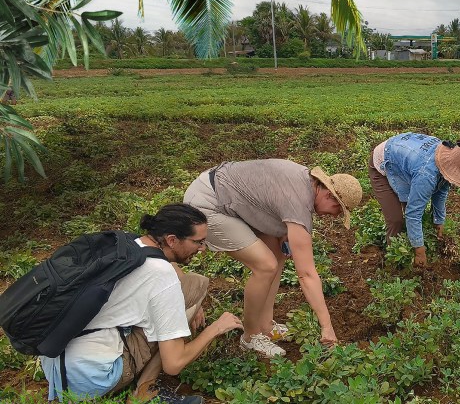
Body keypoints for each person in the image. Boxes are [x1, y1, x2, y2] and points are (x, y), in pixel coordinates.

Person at [40, 204, 243, 404]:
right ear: (172, 240)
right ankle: (144, 390)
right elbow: (174, 364)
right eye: (198, 242)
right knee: (174, 327)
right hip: (93, 379)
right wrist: (216, 328)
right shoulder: (162, 278)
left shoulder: (128, 244)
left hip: (56, 364)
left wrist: (193, 303)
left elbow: (173, 271)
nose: (202, 249)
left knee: (193, 284)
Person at [184, 160, 362, 357]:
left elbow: (271, 199)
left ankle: (265, 326)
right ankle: (250, 337)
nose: (334, 217)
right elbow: (306, 274)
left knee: (277, 255)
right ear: (329, 195)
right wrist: (327, 327)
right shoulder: (298, 204)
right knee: (266, 265)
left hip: (222, 189)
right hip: (208, 204)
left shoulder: (305, 181)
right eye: (338, 211)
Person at [369, 133, 460, 267]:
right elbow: (413, 214)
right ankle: (393, 261)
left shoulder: (447, 157)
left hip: (404, 159)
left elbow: (441, 191)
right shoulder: (426, 175)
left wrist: (439, 220)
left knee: (409, 206)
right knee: (395, 219)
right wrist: (420, 251)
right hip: (382, 162)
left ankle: (407, 245)